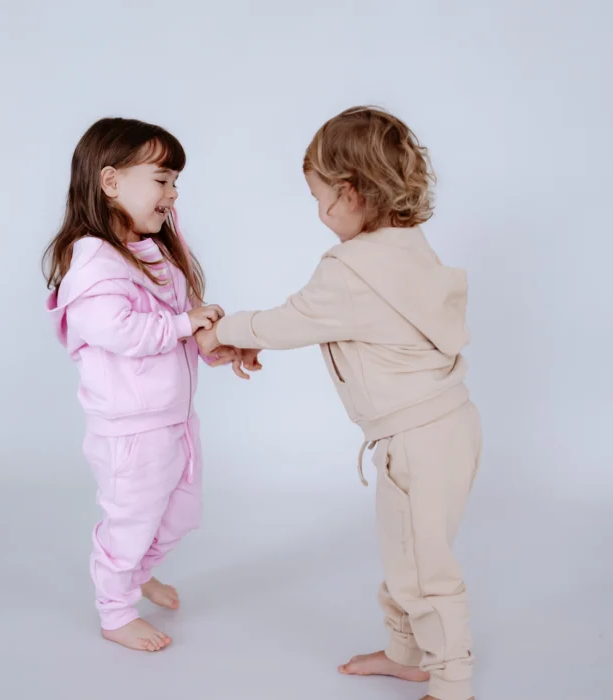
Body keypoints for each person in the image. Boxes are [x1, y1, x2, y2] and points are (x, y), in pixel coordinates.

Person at [197, 107, 481, 700]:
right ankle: (406, 654)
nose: (319, 211)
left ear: (349, 193)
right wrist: (253, 339)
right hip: (449, 427)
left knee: (423, 567)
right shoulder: (407, 247)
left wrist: (224, 331)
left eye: (319, 197)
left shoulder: (352, 269)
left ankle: (452, 683)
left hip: (417, 440)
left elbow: (293, 319)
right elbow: (332, 323)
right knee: (408, 552)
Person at [45, 117, 248, 652]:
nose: (172, 193)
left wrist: (212, 342)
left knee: (180, 513)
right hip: (130, 432)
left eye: (176, 182)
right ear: (111, 181)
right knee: (131, 521)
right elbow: (118, 330)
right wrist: (183, 325)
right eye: (162, 180)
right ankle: (115, 611)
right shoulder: (93, 261)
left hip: (174, 419)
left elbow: (180, 322)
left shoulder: (156, 252)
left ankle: (136, 573)